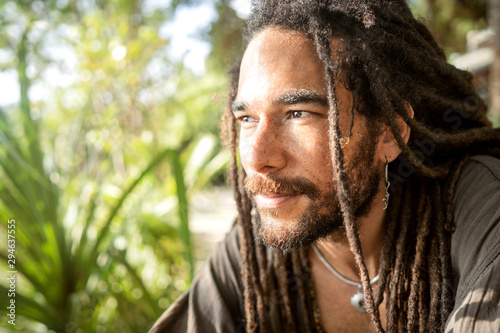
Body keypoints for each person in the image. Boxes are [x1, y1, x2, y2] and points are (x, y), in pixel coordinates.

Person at [150, 0, 500, 332]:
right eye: (247, 118)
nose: (256, 158)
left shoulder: (480, 206)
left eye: (298, 114)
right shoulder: (253, 253)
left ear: (388, 135)